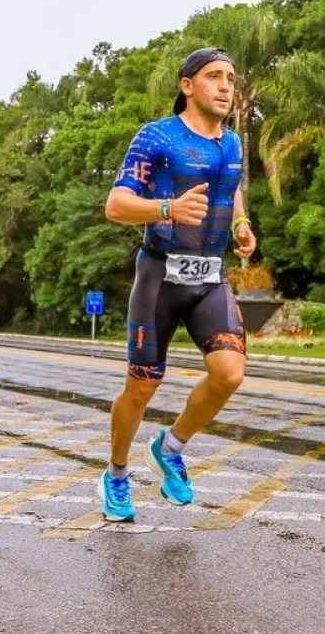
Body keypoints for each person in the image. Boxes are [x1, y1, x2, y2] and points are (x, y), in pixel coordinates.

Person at [100, 47, 257, 522]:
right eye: (214, 76)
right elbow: (116, 205)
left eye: (231, 78)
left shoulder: (232, 144)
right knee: (141, 389)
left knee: (230, 372)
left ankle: (169, 447)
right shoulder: (156, 138)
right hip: (160, 276)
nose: (226, 86)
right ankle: (117, 474)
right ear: (188, 85)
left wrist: (242, 225)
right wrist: (166, 208)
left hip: (209, 276)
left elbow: (232, 191)